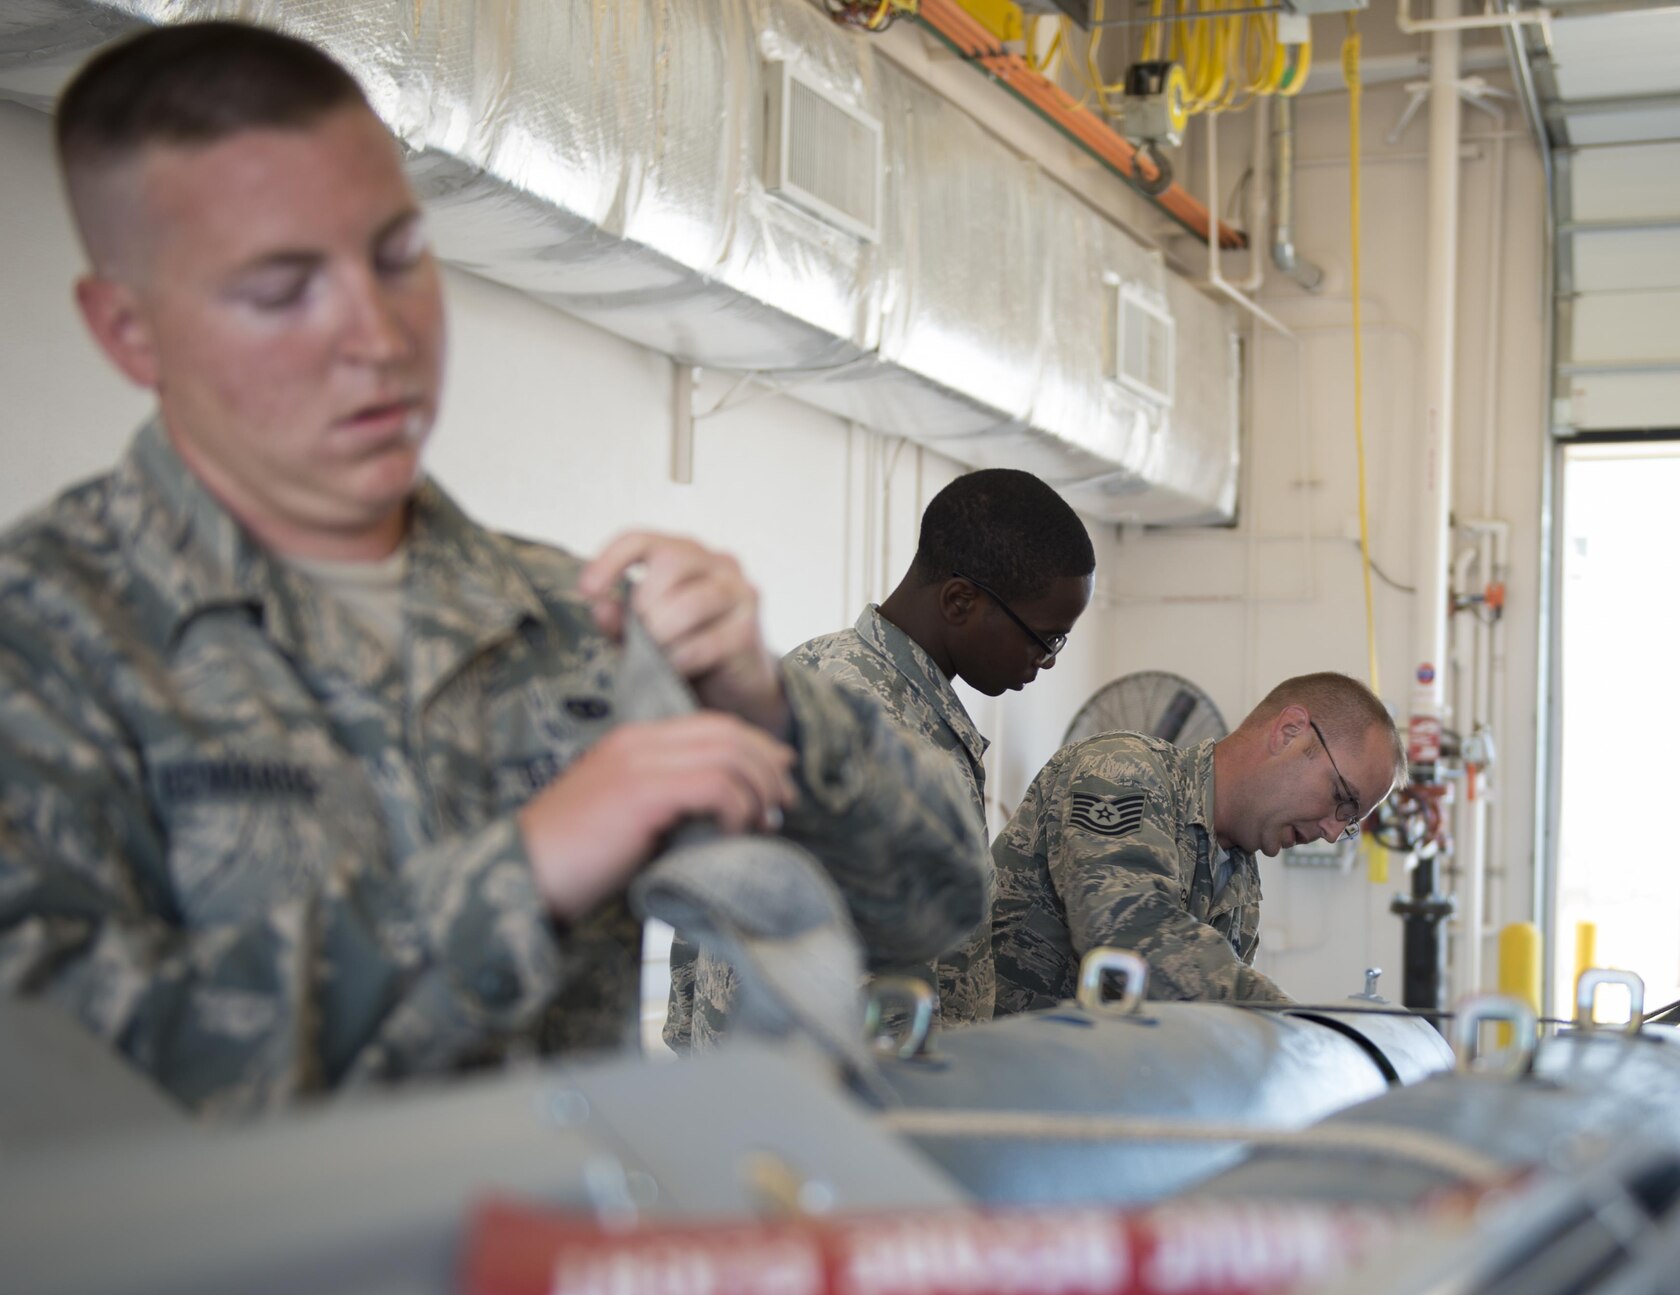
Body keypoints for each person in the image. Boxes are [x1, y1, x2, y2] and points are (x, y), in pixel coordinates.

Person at [0, 21, 986, 1115]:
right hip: (236, 1290)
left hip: (555, 1267)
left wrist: (764, 706)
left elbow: (930, 907)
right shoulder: (45, 644)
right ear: (129, 330)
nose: (376, 335)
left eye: (396, 259)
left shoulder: (563, 622)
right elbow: (52, 1088)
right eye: (281, 290)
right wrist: (522, 874)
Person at [786, 469, 1095, 1025]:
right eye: (1044, 638)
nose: (1047, 660)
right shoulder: (879, 727)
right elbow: (857, 968)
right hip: (854, 1088)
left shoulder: (814, 671)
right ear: (960, 601)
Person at [989, 673, 1403, 1014]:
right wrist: (1292, 1024)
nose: (1332, 833)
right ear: (1289, 732)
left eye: (1349, 823)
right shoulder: (1122, 769)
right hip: (985, 1083)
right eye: (1341, 800)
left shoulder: (1239, 883)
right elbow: (1126, 933)